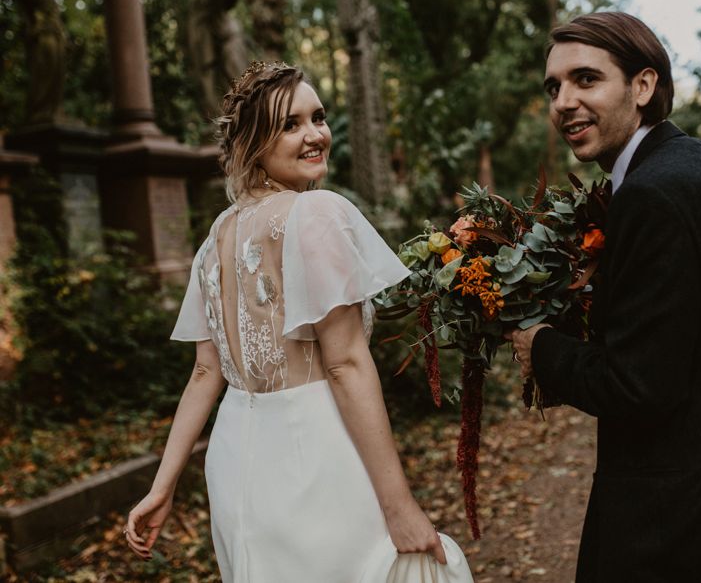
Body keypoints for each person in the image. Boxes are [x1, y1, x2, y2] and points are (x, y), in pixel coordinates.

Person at [124, 62, 471, 582]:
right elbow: (347, 363)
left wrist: (163, 485)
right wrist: (399, 506)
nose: (315, 136)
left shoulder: (216, 238)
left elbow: (204, 374)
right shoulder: (317, 214)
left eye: (319, 118)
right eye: (290, 125)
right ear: (254, 143)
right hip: (314, 454)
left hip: (236, 459)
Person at [510, 12, 701, 582]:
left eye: (586, 79)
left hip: (674, 520)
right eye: (554, 87)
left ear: (642, 86)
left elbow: (640, 386)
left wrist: (543, 347)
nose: (562, 101)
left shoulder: (651, 196)